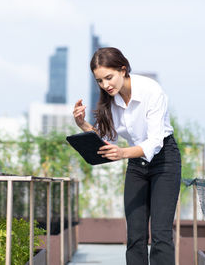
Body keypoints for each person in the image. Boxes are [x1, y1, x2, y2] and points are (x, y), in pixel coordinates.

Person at [72, 47, 181, 265]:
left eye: (109, 77)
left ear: (123, 70)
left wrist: (122, 153)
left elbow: (155, 142)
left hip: (164, 161)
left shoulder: (151, 91)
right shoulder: (110, 101)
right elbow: (106, 139)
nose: (105, 85)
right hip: (136, 164)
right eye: (100, 81)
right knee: (135, 235)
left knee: (160, 235)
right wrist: (82, 124)